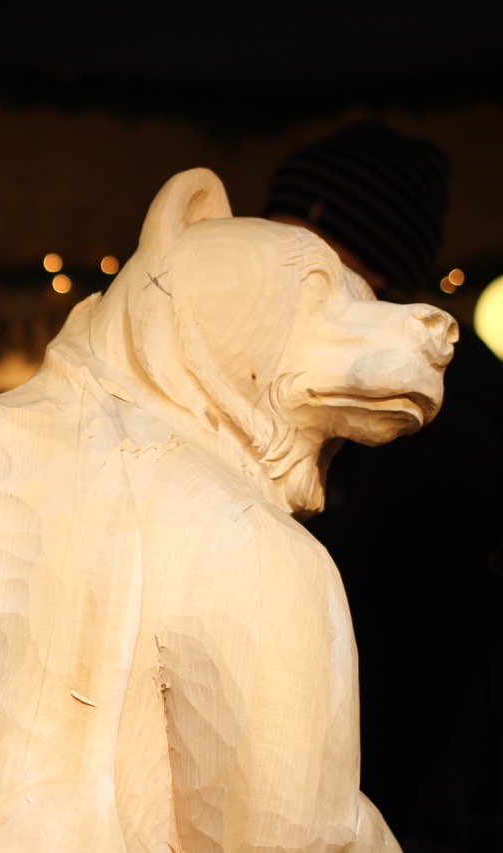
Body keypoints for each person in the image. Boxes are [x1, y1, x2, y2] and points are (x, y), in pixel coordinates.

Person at [262, 120, 503, 851]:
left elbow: (419, 672)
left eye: (302, 251)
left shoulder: (434, 426)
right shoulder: (298, 377)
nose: (267, 272)